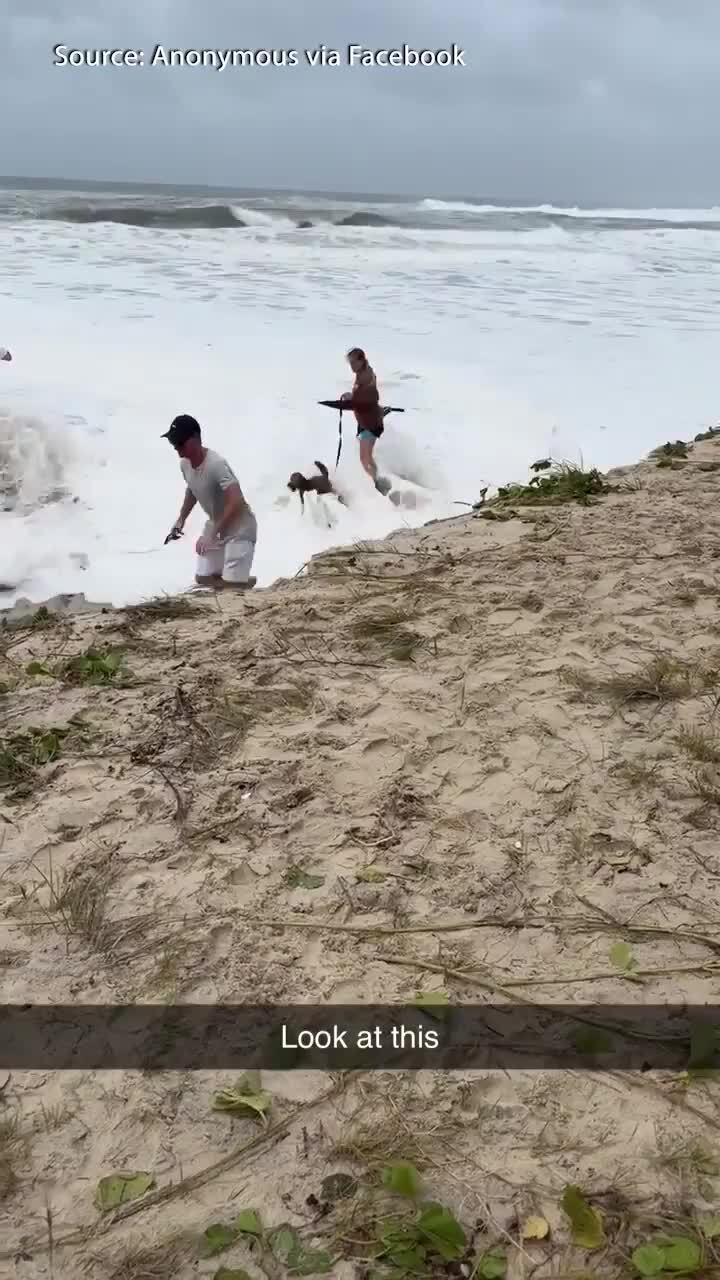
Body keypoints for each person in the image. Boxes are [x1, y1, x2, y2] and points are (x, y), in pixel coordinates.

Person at [163, 414, 257, 590]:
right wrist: (181, 519)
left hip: (240, 528)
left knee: (230, 591)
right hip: (216, 524)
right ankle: (242, 581)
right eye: (173, 443)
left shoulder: (216, 464)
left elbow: (235, 500)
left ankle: (239, 582)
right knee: (203, 578)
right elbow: (192, 489)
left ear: (195, 439)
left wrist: (212, 534)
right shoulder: (184, 464)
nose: (176, 448)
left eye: (180, 442)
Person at [341, 348, 388, 489]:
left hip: (370, 422)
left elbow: (371, 397)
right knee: (367, 457)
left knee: (365, 458)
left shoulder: (366, 375)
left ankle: (379, 483)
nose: (352, 366)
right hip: (365, 420)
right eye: (350, 363)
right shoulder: (362, 373)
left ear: (361, 360)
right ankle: (378, 480)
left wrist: (352, 398)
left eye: (354, 362)